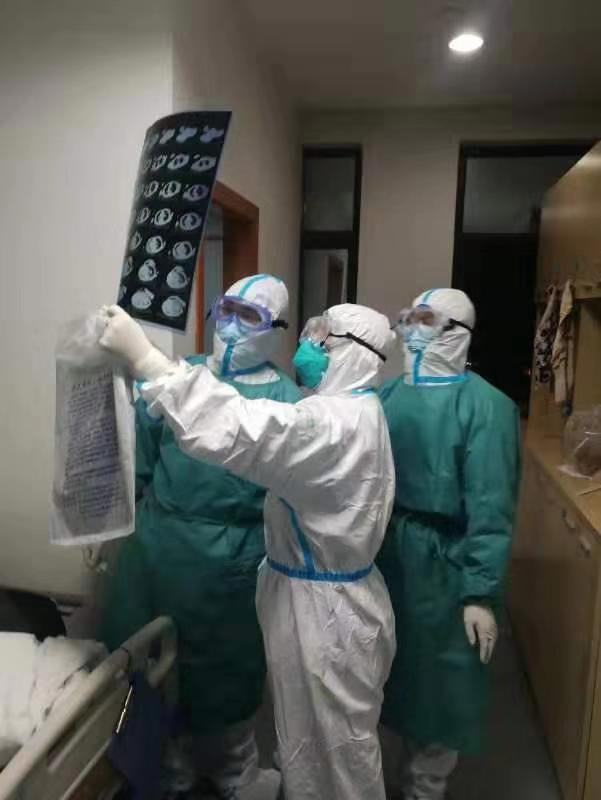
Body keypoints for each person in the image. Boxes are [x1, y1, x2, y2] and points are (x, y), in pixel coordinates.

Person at [99, 301, 397, 800]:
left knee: (338, 753)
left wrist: (148, 361)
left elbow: (242, 429)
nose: (309, 345)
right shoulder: (357, 409)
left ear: (353, 352)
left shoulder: (332, 423)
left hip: (325, 616)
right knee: (313, 743)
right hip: (329, 603)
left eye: (323, 338)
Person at [102, 274, 301, 800]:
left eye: (249, 316)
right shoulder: (178, 377)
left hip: (235, 559)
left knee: (226, 674)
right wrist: (110, 527)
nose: (231, 325)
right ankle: (172, 771)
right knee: (155, 668)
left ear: (276, 329)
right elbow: (141, 457)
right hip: (159, 545)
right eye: (226, 309)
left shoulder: (287, 401)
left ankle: (236, 770)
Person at [376, 288, 521, 800]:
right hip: (385, 556)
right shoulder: (387, 397)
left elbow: (491, 507)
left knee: (440, 686)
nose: (412, 331)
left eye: (427, 321)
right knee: (388, 676)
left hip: (446, 565)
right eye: (409, 319)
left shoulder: (487, 408)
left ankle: (425, 787)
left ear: (457, 332)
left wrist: (479, 593)